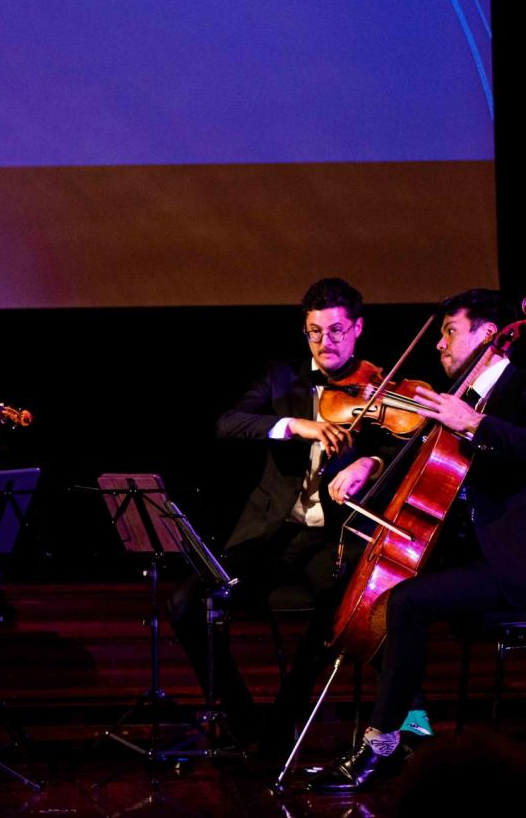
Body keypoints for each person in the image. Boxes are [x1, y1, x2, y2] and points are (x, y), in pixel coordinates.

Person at [310, 289, 526, 792]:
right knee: (374, 590)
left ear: (487, 336)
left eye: (450, 331)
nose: (439, 345)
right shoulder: (459, 398)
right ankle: (412, 727)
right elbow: (423, 469)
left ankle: (381, 744)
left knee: (405, 604)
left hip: (520, 563)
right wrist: (371, 463)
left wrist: (474, 423)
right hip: (472, 553)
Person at [168, 277, 394, 747]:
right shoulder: (280, 376)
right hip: (269, 533)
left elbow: (406, 446)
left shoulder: (381, 387)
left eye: (335, 331)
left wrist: (371, 463)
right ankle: (241, 718)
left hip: (331, 535)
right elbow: (229, 422)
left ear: (357, 329)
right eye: (314, 332)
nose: (325, 343)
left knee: (334, 604)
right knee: (185, 603)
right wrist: (298, 426)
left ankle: (283, 724)